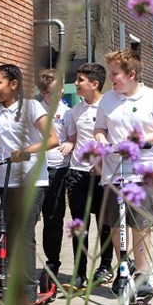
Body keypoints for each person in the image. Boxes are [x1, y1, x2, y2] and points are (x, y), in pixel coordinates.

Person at [94, 49, 153, 297]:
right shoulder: (107, 99)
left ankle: (142, 273)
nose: (111, 78)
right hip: (114, 170)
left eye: (115, 73)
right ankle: (123, 268)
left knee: (139, 223)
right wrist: (102, 143)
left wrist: (142, 139)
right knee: (116, 223)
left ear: (131, 74)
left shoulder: (152, 98)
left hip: (146, 171)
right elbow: (99, 129)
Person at [0, 64, 58, 305]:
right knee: (6, 233)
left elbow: (52, 139)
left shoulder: (31, 107)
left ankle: (28, 291)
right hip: (3, 179)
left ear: (13, 84)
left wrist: (25, 151)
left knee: (23, 233)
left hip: (31, 179)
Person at [64, 62, 113, 290]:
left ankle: (105, 266)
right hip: (78, 174)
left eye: (80, 80)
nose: (76, 84)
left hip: (104, 175)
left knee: (105, 223)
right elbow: (73, 139)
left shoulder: (109, 107)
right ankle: (79, 272)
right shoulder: (75, 110)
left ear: (94, 84)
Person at [37, 68, 71, 290]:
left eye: (55, 91)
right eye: (47, 93)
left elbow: (75, 138)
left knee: (53, 218)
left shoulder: (69, 112)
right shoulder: (35, 110)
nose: (51, 96)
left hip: (57, 170)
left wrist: (72, 144)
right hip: (34, 170)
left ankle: (52, 263)